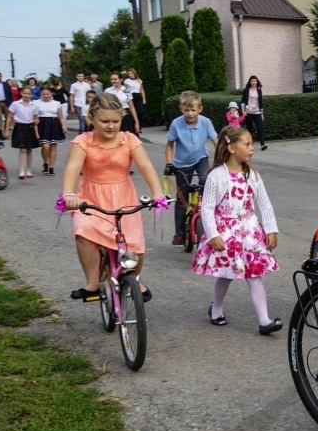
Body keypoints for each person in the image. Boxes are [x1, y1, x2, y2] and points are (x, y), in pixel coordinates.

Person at [61, 93, 164, 302]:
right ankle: (92, 283)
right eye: (105, 121)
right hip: (91, 198)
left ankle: (135, 278)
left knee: (133, 241)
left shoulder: (129, 139)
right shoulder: (83, 142)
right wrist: (69, 194)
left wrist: (157, 192)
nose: (111, 126)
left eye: (116, 121)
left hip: (124, 196)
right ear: (91, 119)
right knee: (84, 232)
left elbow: (145, 165)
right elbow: (72, 167)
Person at [192, 126, 281, 335]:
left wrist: (271, 229)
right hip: (226, 233)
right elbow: (207, 208)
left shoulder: (253, 176)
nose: (252, 148)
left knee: (254, 274)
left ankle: (264, 320)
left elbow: (265, 204)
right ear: (231, 148)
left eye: (251, 144)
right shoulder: (216, 176)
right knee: (226, 275)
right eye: (247, 144)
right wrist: (213, 234)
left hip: (250, 233)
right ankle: (216, 308)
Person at [164, 90, 219, 246]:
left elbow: (216, 142)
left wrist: (223, 160)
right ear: (181, 109)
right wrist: (169, 164)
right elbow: (169, 146)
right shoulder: (176, 124)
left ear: (200, 108)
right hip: (181, 163)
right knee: (182, 197)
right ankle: (179, 233)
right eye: (186, 110)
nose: (190, 113)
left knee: (205, 181)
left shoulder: (206, 122)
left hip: (201, 158)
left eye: (193, 110)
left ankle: (208, 221)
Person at [4, 86, 40, 179]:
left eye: (28, 94)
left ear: (31, 95)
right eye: (24, 93)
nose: (26, 95)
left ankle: (29, 170)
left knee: (29, 149)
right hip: (19, 126)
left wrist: (37, 131)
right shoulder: (15, 104)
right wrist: (7, 130)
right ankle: (22, 170)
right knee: (22, 149)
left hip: (30, 127)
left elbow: (35, 119)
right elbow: (9, 117)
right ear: (21, 93)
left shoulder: (34, 106)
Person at [33, 85, 67, 175]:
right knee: (45, 146)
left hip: (54, 124)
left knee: (53, 146)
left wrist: (63, 126)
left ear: (51, 93)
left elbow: (60, 116)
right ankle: (46, 163)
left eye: (48, 94)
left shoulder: (56, 103)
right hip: (42, 124)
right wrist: (35, 121)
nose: (46, 96)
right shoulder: (36, 103)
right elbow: (33, 115)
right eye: (43, 94)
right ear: (40, 94)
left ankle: (51, 167)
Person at [240, 75, 267, 150]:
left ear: (257, 82)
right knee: (249, 129)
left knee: (260, 128)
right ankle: (250, 144)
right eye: (252, 81)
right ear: (250, 82)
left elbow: (260, 103)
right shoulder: (246, 90)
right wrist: (243, 111)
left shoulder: (259, 91)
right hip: (248, 112)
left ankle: (262, 145)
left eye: (255, 81)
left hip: (257, 112)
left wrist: (262, 114)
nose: (253, 82)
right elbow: (243, 101)